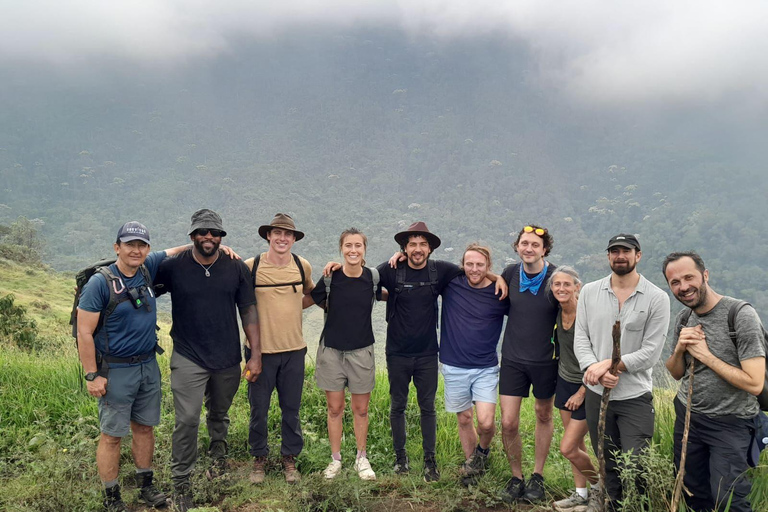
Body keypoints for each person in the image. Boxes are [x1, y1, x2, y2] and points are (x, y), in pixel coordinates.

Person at [76, 222, 190, 511]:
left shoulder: (146, 267)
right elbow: (84, 332)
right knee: (112, 435)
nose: (136, 250)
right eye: (129, 244)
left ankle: (146, 486)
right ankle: (111, 497)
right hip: (115, 371)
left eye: (141, 245)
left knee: (144, 429)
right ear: (117, 247)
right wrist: (92, 375)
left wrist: (212, 244)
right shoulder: (100, 283)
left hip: (147, 365)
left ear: (147, 249)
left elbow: (174, 251)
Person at [154, 209, 260, 511]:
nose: (209, 237)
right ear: (192, 236)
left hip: (227, 356)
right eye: (202, 232)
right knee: (187, 419)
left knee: (219, 413)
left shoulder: (236, 267)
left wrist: (255, 354)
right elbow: (140, 283)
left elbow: (249, 311)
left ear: (222, 236)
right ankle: (182, 481)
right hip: (188, 354)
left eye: (214, 233)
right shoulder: (173, 268)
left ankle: (218, 457)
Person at [574, 233, 670, 511]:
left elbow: (651, 352)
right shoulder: (590, 292)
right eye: (614, 251)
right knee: (608, 463)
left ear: (638, 256)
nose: (620, 255)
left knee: (637, 465)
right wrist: (594, 368)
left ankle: (638, 507)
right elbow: (581, 339)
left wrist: (610, 365)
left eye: (626, 251)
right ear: (608, 256)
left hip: (635, 397)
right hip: (596, 394)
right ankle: (612, 506)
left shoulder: (656, 298)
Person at [663, 251, 765, 512]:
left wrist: (705, 355)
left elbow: (754, 383)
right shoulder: (684, 319)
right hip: (688, 417)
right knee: (694, 494)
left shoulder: (740, 315)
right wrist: (680, 350)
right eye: (675, 282)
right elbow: (675, 373)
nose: (683, 287)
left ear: (705, 275)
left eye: (689, 277)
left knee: (728, 500)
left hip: (732, 423)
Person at [303, 228, 385, 481]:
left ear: (364, 250)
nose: (353, 250)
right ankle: (336, 459)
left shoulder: (372, 278)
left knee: (361, 409)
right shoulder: (330, 279)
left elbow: (394, 293)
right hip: (332, 352)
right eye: (348, 245)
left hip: (362, 351)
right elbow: (308, 300)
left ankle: (362, 457)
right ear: (341, 249)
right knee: (334, 408)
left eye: (358, 245)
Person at [245, 213, 314, 484]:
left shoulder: (301, 265)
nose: (282, 238)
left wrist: (289, 307)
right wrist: (252, 353)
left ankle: (289, 459)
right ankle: (259, 459)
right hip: (259, 353)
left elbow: (310, 294)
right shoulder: (251, 266)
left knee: (291, 408)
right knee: (258, 409)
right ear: (268, 236)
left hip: (294, 349)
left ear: (294, 239)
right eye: (277, 233)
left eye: (288, 234)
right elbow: (242, 304)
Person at [498, 225, 560, 503]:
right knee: (509, 422)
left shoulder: (555, 277)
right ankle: (516, 477)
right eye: (524, 243)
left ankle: (537, 475)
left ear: (544, 249)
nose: (529, 248)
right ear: (517, 246)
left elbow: (570, 312)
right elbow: (488, 283)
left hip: (546, 360)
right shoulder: (510, 273)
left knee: (543, 414)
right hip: (512, 358)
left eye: (535, 245)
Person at [438, 244, 508, 485]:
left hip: (485, 367)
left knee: (486, 423)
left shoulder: (500, 292)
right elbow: (419, 265)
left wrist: (498, 278)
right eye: (470, 264)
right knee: (464, 419)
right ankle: (471, 467)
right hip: (453, 364)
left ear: (488, 266)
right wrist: (398, 255)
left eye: (480, 265)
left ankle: (482, 452)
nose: (474, 269)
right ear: (462, 265)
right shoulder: (451, 284)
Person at [546, 266, 600, 512]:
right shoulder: (558, 311)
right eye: (557, 284)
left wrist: (582, 391)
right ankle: (581, 495)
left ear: (578, 287)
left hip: (588, 386)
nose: (561, 289)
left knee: (567, 447)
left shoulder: (588, 315)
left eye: (567, 284)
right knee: (576, 447)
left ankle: (601, 488)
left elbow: (601, 358)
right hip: (564, 381)